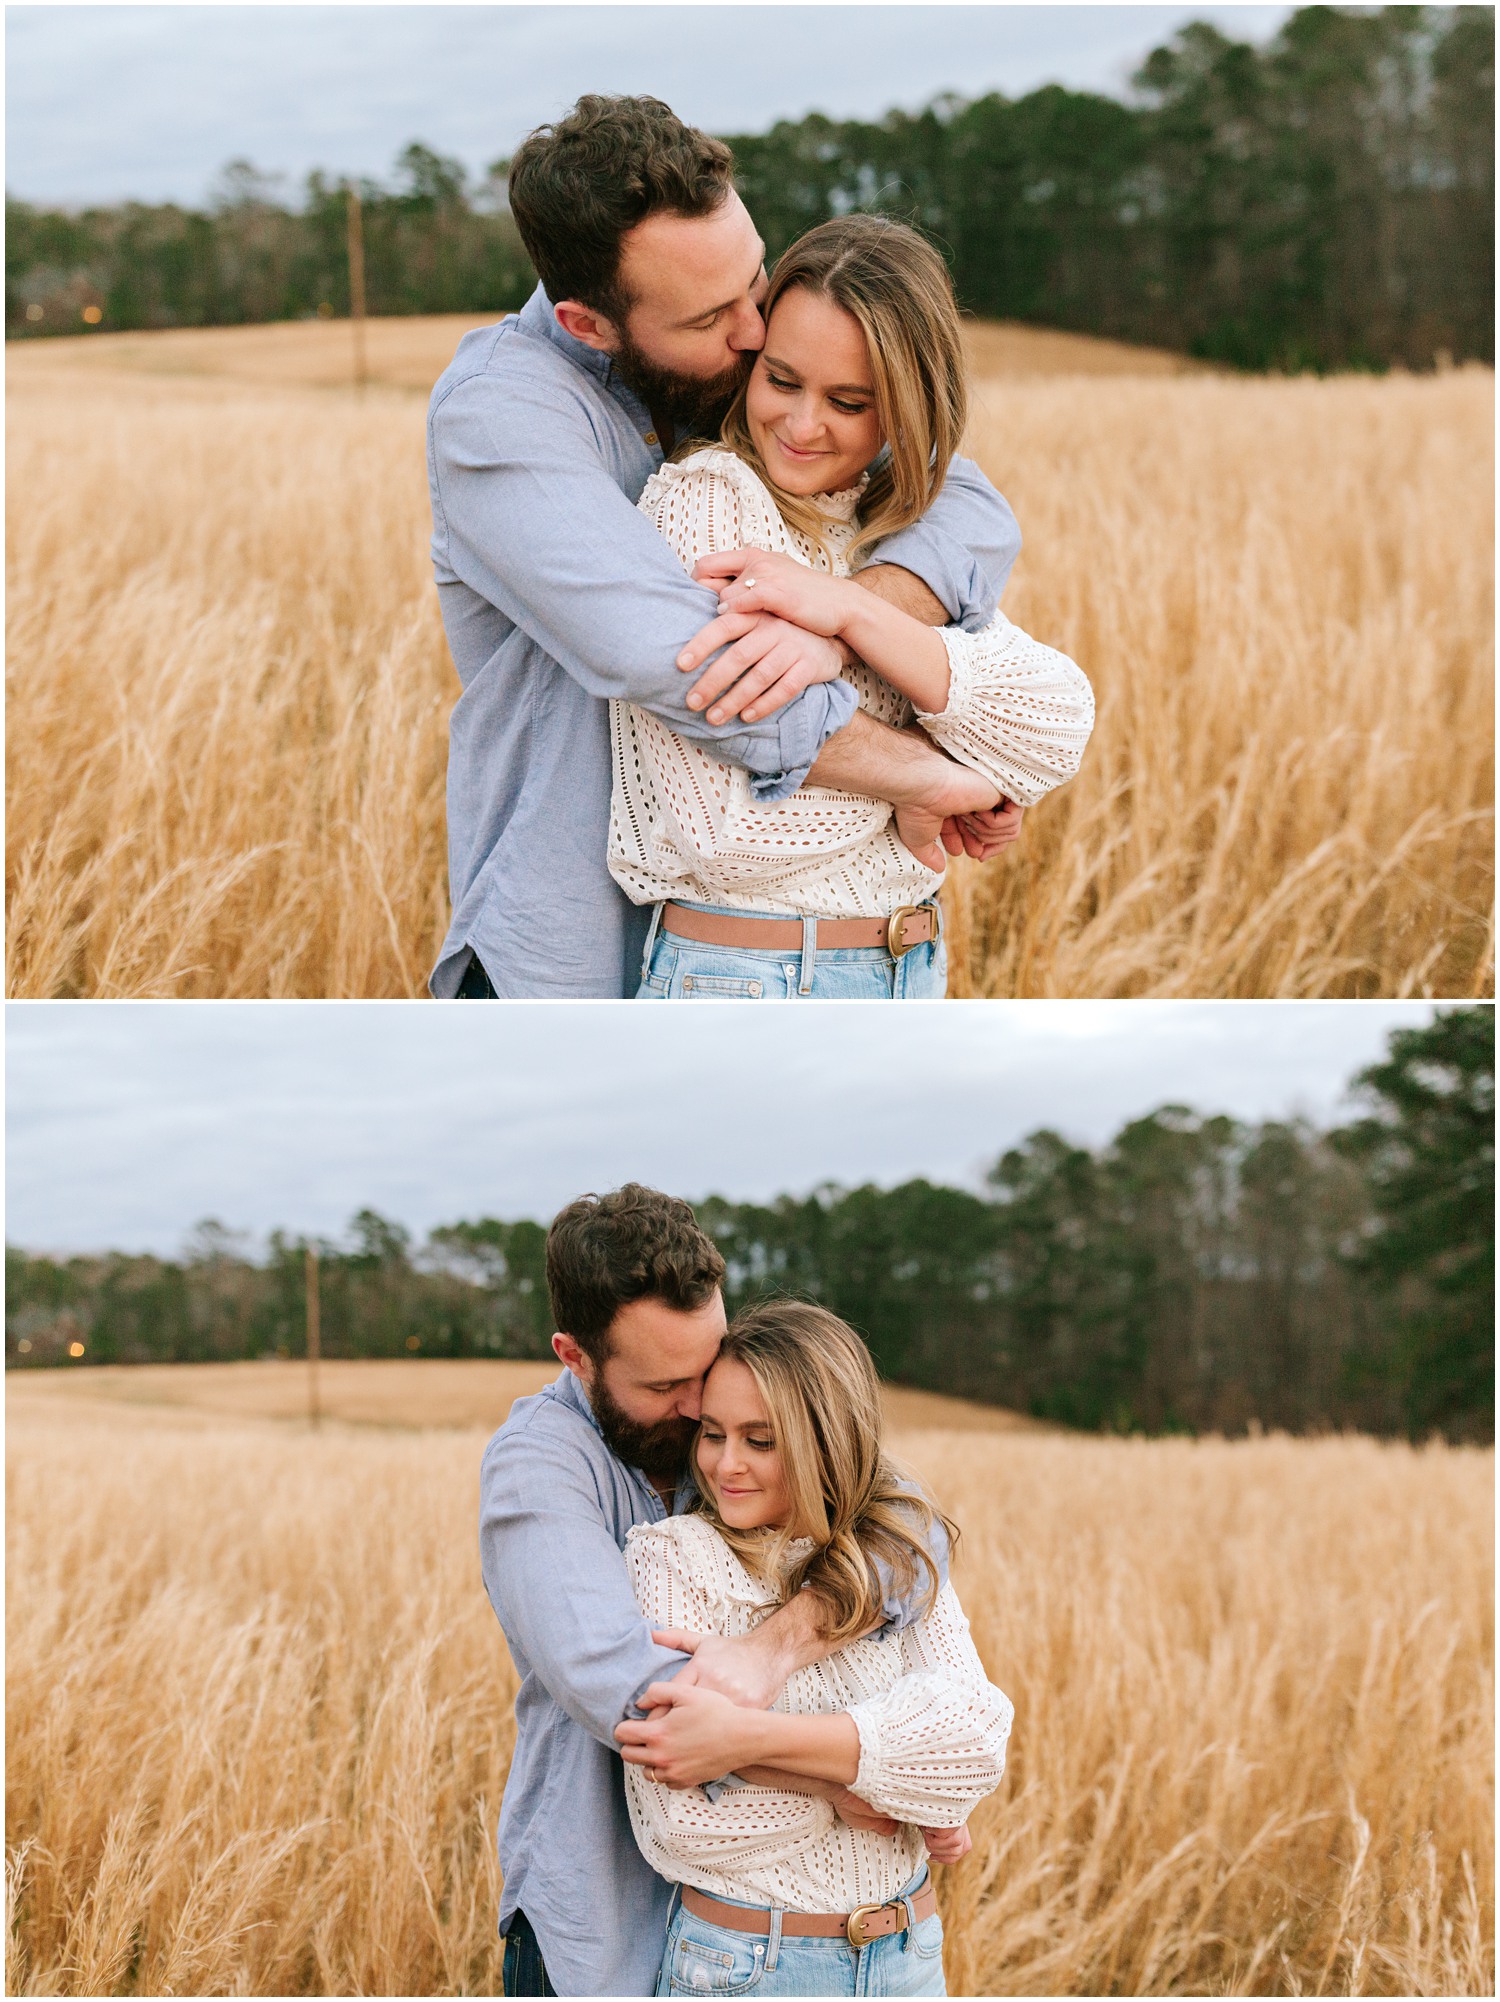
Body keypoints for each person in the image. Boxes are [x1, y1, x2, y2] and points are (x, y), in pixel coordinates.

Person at [427, 94, 1025, 999]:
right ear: (591, 323)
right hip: (570, 960)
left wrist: (851, 620)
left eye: (753, 281)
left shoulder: (749, 376)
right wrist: (926, 775)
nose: (754, 334)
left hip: (782, 950)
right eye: (711, 319)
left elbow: (966, 504)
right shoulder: (501, 414)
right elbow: (688, 662)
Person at [479, 1186, 962, 1997]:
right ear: (575, 1355)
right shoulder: (538, 1464)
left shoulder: (725, 1429)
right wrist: (856, 1779)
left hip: (782, 1932)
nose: (702, 1406)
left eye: (706, 1368)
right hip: (607, 1924)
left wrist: (777, 1647)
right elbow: (640, 1697)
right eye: (667, 1386)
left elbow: (914, 1534)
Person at [611, 215, 1095, 1000]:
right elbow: (721, 834)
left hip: (910, 966)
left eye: (848, 400)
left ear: (907, 406)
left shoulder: (900, 527)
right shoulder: (709, 506)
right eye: (781, 380)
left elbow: (1057, 723)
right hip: (747, 977)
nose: (802, 426)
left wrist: (852, 615)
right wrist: (936, 783)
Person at [616, 1302, 1013, 1996]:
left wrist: (744, 1743)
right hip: (745, 1964)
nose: (725, 1465)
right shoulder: (675, 1558)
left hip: (908, 1956)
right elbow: (678, 1821)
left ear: (826, 1441)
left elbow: (974, 1743)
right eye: (712, 1434)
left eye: (761, 1441)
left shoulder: (898, 1559)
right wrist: (870, 1787)